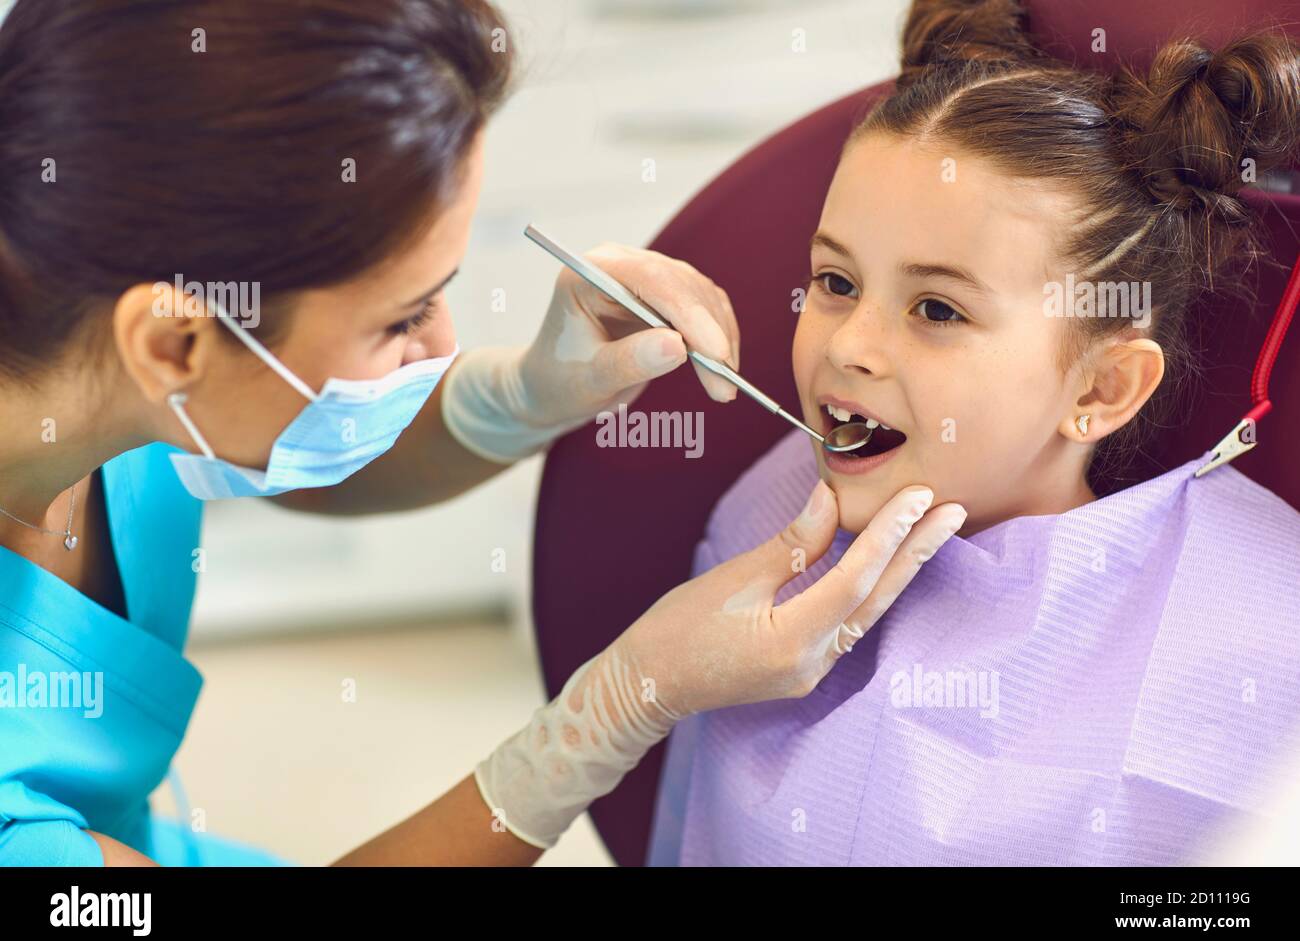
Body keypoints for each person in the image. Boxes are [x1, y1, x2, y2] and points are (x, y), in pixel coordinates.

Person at [0, 0, 966, 866]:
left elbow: (266, 450)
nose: (446, 347)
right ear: (175, 343)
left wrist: (520, 396)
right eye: (401, 317)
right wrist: (613, 711)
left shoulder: (78, 322)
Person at [648, 0, 1300, 865]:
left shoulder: (1246, 635)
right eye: (836, 281)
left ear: (1103, 387)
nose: (848, 345)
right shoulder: (762, 516)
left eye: (937, 308)